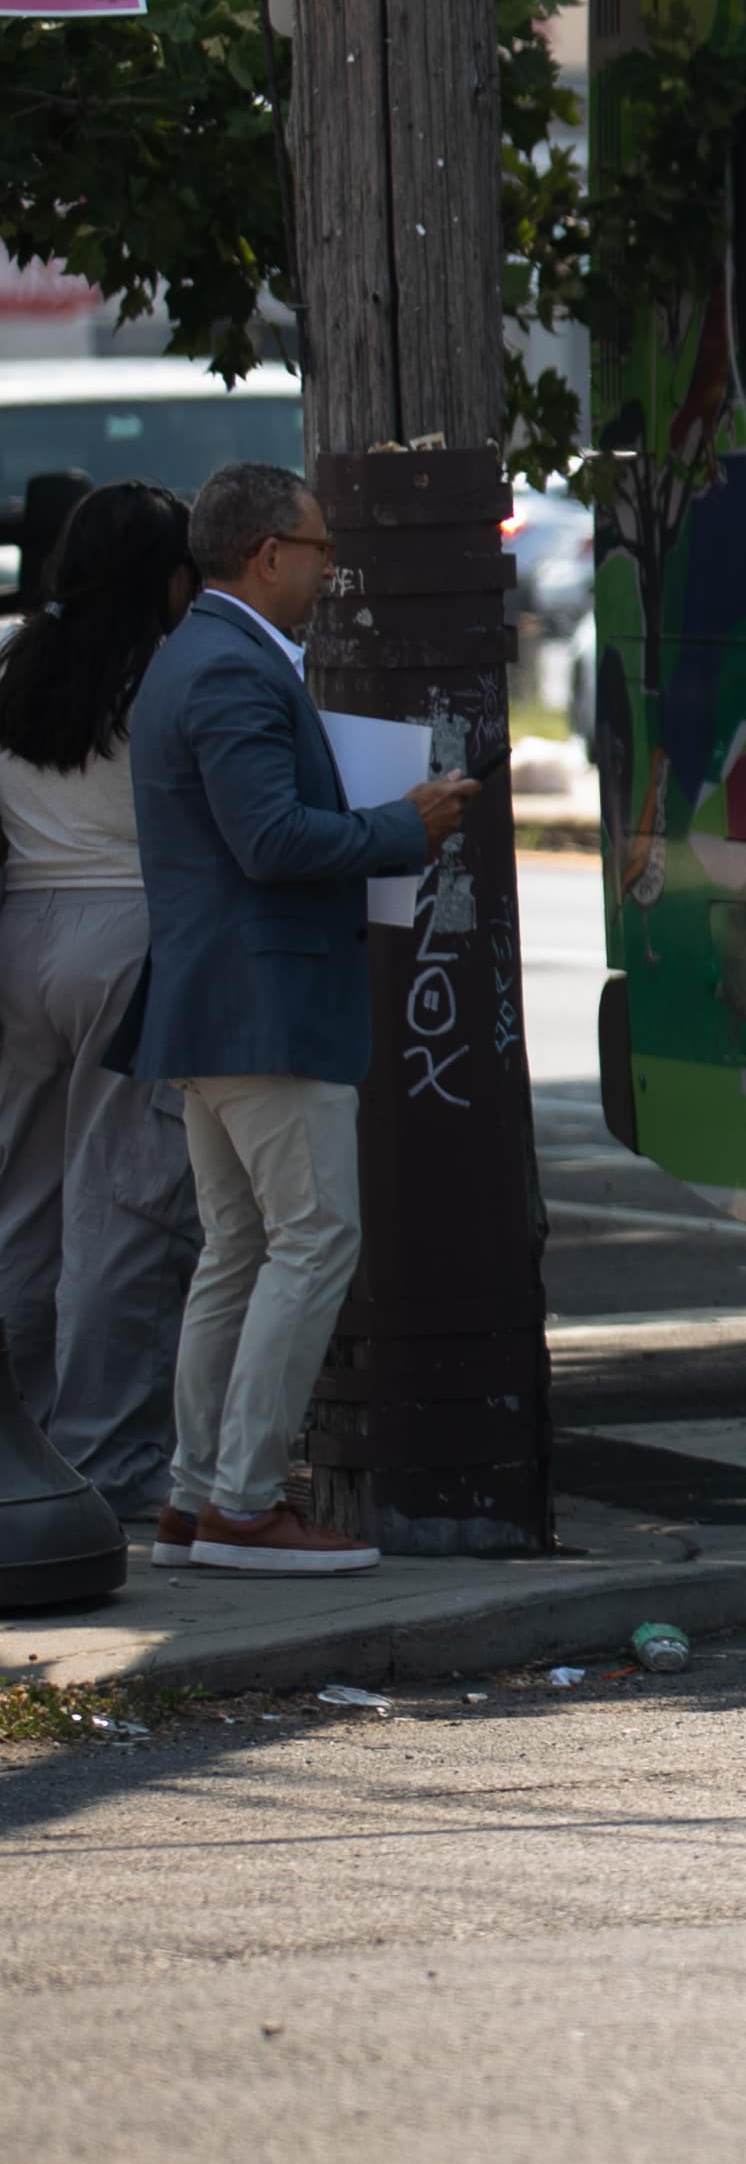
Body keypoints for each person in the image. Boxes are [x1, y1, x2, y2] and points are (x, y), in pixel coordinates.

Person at [126, 461, 476, 1576]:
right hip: (264, 1006)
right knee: (315, 1239)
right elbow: (269, 839)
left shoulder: (193, 655)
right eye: (320, 548)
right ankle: (240, 1504)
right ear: (268, 552)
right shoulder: (233, 665)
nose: (330, 568)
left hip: (220, 1005)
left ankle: (196, 1498)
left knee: (237, 1250)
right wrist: (403, 826)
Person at [0, 481, 203, 1534]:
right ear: (169, 578)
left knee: (21, 1204)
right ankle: (105, 1458)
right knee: (122, 1207)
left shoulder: (15, 660)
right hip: (133, 935)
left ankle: (17, 1439)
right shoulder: (170, 670)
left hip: (21, 934)